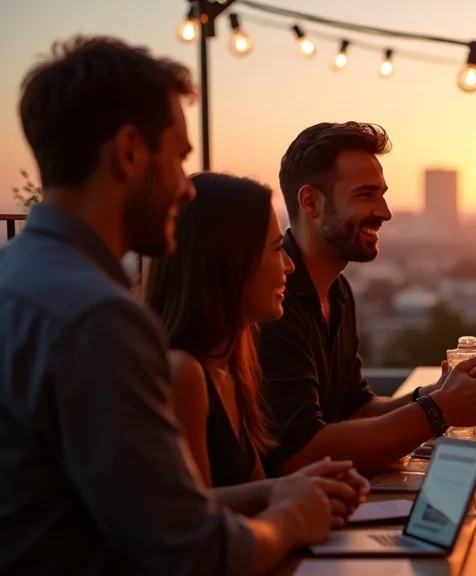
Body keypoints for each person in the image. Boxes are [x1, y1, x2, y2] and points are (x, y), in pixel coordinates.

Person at [0, 36, 345, 575]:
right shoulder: (97, 319)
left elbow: (148, 508)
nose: (187, 190)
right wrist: (293, 518)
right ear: (130, 151)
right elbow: (194, 553)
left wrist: (281, 490)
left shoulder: (16, 279)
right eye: (180, 158)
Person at [259, 122, 476, 477]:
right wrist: (439, 409)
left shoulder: (338, 290)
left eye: (382, 194)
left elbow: (357, 409)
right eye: (365, 195)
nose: (385, 211)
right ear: (310, 202)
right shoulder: (273, 298)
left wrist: (437, 392)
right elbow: (300, 453)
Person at [146, 172, 368, 512]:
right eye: (277, 249)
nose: (290, 265)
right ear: (230, 260)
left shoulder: (233, 363)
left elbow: (252, 491)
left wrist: (304, 487)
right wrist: (288, 495)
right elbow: (193, 518)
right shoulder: (183, 373)